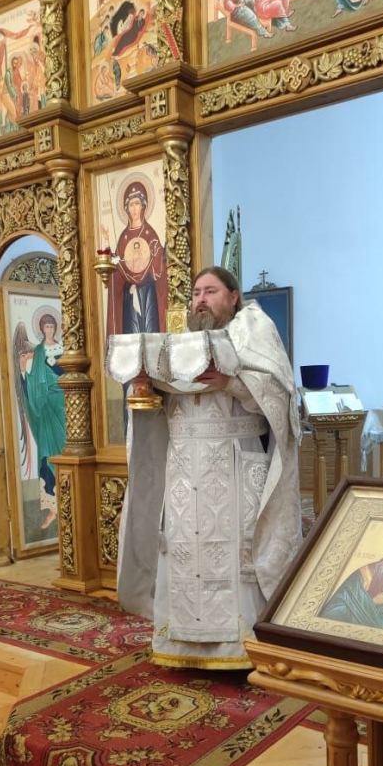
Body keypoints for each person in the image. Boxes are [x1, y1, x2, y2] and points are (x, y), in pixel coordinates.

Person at [116, 266, 302, 670]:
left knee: (237, 555)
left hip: (234, 465)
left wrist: (230, 382)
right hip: (183, 469)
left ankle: (243, 649)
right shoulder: (176, 344)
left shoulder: (254, 333)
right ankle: (182, 646)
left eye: (211, 291)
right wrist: (145, 384)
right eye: (197, 292)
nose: (201, 299)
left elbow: (281, 399)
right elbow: (158, 408)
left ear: (233, 297)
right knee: (182, 550)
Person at [14, 312, 66, 530]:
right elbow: (34, 381)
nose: (49, 330)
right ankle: (53, 508)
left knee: (66, 455)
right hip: (45, 410)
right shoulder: (38, 352)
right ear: (42, 329)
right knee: (48, 458)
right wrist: (23, 369)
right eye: (46, 327)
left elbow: (69, 376)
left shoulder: (64, 350)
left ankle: (68, 502)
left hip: (62, 408)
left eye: (52, 326)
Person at [106, 180, 168, 336]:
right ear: (126, 208)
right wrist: (108, 252)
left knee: (150, 331)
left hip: (147, 292)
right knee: (131, 333)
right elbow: (118, 264)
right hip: (130, 294)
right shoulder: (124, 237)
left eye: (137, 204)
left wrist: (164, 253)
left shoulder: (149, 233)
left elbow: (159, 263)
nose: (134, 208)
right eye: (131, 204)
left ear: (143, 206)